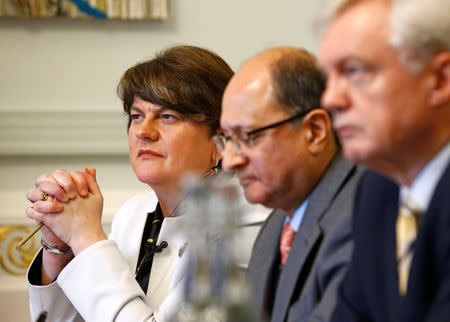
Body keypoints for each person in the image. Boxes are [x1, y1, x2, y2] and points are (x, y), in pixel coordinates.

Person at [24, 45, 235, 321]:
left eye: (167, 116)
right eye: (137, 116)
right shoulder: (132, 214)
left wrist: (84, 236)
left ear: (219, 139)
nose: (144, 132)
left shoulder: (238, 226)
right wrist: (60, 247)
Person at [318, 0, 450, 321]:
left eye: (355, 71)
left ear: (440, 80)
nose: (330, 99)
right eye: (329, 78)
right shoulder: (378, 192)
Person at [215, 46, 363, 321]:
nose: (230, 162)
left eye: (247, 136)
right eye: (227, 139)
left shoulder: (362, 216)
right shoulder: (274, 229)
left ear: (315, 131)